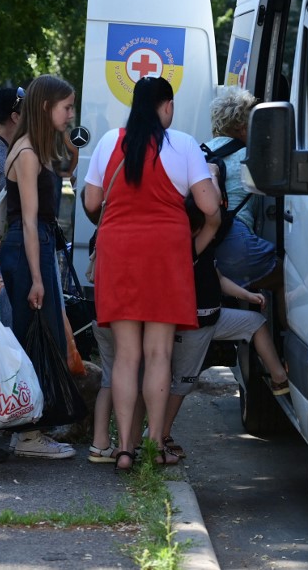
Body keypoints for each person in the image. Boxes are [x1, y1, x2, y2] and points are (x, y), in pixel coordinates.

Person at [82, 76, 221, 472]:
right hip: (166, 255)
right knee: (159, 353)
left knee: (126, 355)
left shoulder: (110, 141)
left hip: (119, 252)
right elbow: (209, 207)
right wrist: (208, 176)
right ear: (167, 105)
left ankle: (123, 448)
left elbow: (92, 202)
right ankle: (155, 445)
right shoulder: (183, 144)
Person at [159, 196, 290, 459]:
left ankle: (278, 377)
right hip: (193, 328)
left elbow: (219, 280)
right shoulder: (186, 249)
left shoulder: (205, 249)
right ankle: (160, 435)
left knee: (255, 323)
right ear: (196, 228)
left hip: (214, 319)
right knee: (182, 384)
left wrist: (248, 296)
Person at [0, 74, 77, 460]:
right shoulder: (27, 153)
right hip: (30, 247)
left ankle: (30, 428)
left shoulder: (31, 148)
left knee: (40, 337)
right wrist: (36, 278)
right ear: (47, 107)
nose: (71, 115)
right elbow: (29, 220)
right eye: (67, 107)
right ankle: (28, 435)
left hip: (33, 245)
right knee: (36, 338)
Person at [205, 87, 279, 289]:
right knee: (285, 279)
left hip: (204, 244)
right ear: (242, 127)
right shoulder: (253, 155)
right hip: (235, 242)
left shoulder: (200, 150)